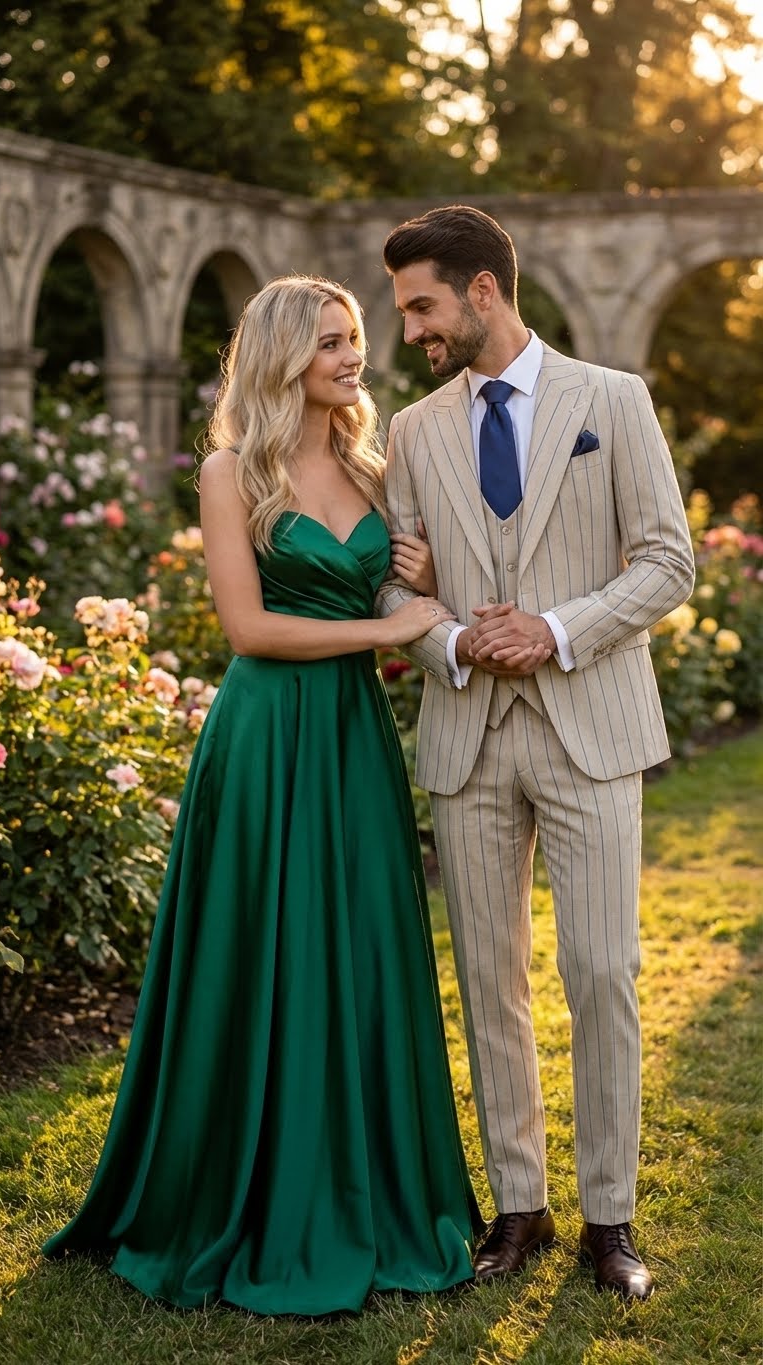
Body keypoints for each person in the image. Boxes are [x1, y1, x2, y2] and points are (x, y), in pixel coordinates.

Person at [43, 274, 483, 1315]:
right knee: (260, 951)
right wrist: (387, 627)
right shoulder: (232, 470)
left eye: (357, 339)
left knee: (359, 949)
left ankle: (366, 1189)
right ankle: (232, 1191)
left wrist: (407, 585)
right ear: (284, 353)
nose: (352, 358)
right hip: (265, 735)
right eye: (330, 341)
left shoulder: (376, 469)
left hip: (349, 739)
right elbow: (248, 628)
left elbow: (391, 595)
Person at [378, 205, 695, 1301]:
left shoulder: (614, 402)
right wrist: (454, 636)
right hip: (469, 736)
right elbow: (391, 588)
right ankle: (521, 1206)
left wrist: (553, 629)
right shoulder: (412, 431)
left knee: (601, 974)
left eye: (422, 305)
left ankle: (611, 1219)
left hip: (589, 727)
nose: (411, 331)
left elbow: (666, 562)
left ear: (480, 291)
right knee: (490, 981)